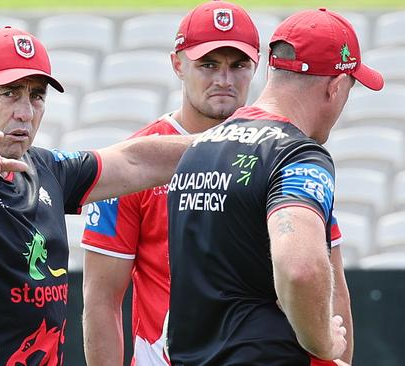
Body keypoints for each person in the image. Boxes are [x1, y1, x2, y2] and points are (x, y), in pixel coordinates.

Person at [0, 26, 196, 365]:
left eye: (36, 95)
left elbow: (133, 161)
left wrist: (235, 144)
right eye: (9, 93)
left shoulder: (44, 168)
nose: (26, 111)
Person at [166, 8, 382, 365]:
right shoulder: (296, 154)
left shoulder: (199, 148)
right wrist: (325, 342)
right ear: (335, 86)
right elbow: (300, 267)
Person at [81, 1, 260, 364]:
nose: (224, 80)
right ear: (178, 64)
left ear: (256, 66)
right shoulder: (131, 164)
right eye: (208, 64)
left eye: (237, 65)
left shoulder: (277, 153)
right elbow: (101, 301)